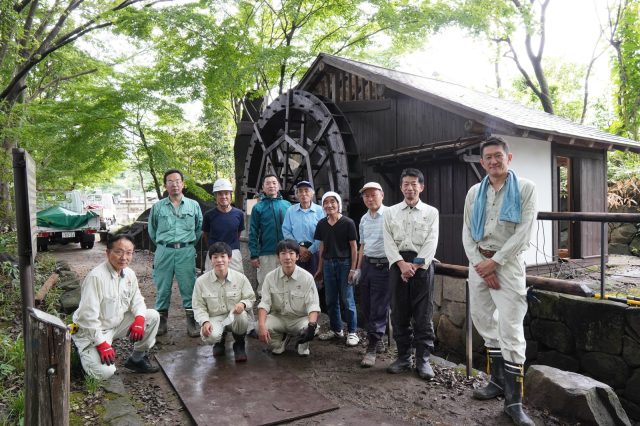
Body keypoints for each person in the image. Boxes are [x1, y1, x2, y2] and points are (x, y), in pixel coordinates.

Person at [462, 137, 537, 426]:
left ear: (509, 158)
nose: (493, 161)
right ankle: (496, 383)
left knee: (511, 327)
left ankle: (514, 402)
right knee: (481, 318)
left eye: (498, 156)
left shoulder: (526, 189)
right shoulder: (474, 192)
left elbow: (524, 232)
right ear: (482, 163)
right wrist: (482, 264)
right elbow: (467, 231)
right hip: (479, 263)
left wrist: (496, 262)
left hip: (509, 264)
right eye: (488, 158)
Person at [71, 235, 160, 380]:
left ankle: (137, 359)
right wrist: (101, 344)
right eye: (119, 252)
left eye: (129, 252)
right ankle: (83, 351)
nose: (124, 257)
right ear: (107, 253)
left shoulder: (129, 274)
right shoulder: (96, 277)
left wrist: (139, 319)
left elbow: (137, 300)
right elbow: (87, 318)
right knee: (105, 372)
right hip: (93, 330)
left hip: (116, 323)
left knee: (152, 316)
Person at [383, 168, 439, 381]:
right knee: (399, 312)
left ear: (421, 187)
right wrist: (400, 265)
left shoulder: (431, 212)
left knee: (423, 314)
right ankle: (404, 356)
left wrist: (413, 266)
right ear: (400, 187)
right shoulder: (390, 212)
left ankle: (423, 360)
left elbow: (431, 242)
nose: (410, 187)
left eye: (414, 183)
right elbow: (388, 242)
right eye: (406, 183)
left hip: (421, 266)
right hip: (397, 266)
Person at [148, 169, 203, 337]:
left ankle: (191, 322)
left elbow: (199, 228)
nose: (175, 184)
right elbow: (152, 230)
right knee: (162, 288)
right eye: (170, 181)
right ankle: (162, 322)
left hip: (186, 251)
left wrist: (188, 244)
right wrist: (163, 245)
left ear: (183, 184)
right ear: (166, 185)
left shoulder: (193, 206)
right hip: (164, 251)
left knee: (188, 287)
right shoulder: (157, 207)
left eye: (178, 181)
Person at [192, 242, 256, 362]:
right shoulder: (201, 282)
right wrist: (205, 322)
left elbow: (251, 298)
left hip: (234, 317)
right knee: (210, 336)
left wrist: (243, 304)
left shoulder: (240, 278)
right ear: (211, 260)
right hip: (215, 318)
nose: (219, 260)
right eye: (215, 257)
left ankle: (239, 344)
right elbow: (198, 306)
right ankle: (219, 342)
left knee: (242, 316)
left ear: (229, 258)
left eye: (223, 256)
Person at [257, 240, 321, 356]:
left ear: (297, 256)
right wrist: (261, 326)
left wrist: (311, 326)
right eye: (283, 253)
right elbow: (264, 303)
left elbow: (313, 305)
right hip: (279, 318)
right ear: (278, 257)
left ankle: (303, 343)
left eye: (291, 253)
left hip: (299, 319)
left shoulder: (307, 278)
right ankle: (281, 340)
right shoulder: (270, 277)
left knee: (312, 327)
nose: (287, 257)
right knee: (260, 326)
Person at [314, 191, 360, 347]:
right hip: (328, 264)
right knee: (331, 300)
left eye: (332, 202)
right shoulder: (321, 224)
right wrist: (320, 268)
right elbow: (322, 246)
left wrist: (353, 269)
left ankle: (353, 332)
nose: (329, 205)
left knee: (347, 298)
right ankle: (337, 329)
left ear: (338, 204)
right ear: (323, 206)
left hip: (345, 263)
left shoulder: (348, 223)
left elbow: (354, 248)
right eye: (326, 203)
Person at [353, 182, 390, 368]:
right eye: (366, 196)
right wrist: (358, 268)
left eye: (373, 195)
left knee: (378, 307)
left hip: (384, 267)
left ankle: (373, 347)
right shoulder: (364, 219)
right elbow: (362, 246)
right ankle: (378, 338)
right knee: (366, 305)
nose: (369, 199)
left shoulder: (390, 215)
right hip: (368, 265)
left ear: (381, 195)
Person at [249, 174, 291, 296]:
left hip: (286, 252)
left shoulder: (287, 205)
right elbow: (253, 232)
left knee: (286, 282)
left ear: (278, 186)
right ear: (263, 187)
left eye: (274, 183)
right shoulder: (258, 207)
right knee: (266, 284)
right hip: (266, 252)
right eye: (268, 183)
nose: (271, 186)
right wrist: (254, 254)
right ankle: (266, 312)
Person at [202, 178, 245, 273]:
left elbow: (238, 233)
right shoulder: (209, 215)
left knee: (236, 282)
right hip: (214, 253)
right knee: (212, 282)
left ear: (231, 195)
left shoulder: (239, 214)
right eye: (220, 194)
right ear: (215, 196)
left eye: (226, 193)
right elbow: (206, 235)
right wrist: (213, 249)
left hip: (233, 253)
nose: (223, 196)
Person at [281, 181, 324, 275]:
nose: (303, 194)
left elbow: (323, 234)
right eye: (300, 191)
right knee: (296, 280)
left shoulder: (320, 211)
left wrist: (310, 250)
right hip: (296, 253)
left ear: (312, 194)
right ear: (297, 195)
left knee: (315, 281)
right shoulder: (291, 211)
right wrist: (298, 248)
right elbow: (286, 231)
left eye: (306, 191)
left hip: (315, 253)